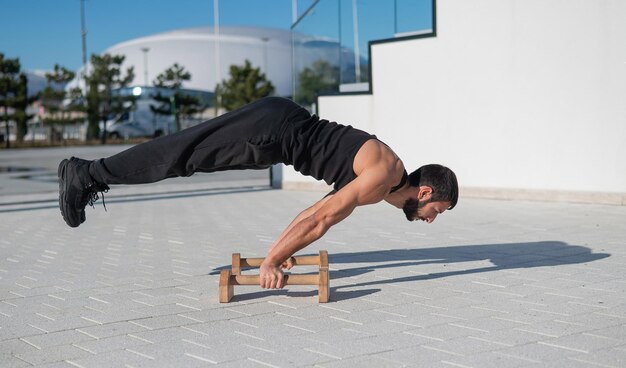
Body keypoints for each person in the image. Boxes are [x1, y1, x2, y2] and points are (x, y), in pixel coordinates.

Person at [58, 97, 458, 289]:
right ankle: (86, 175)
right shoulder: (382, 176)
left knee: (184, 155)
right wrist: (271, 261)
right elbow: (321, 219)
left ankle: (89, 175)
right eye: (436, 210)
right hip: (274, 132)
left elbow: (312, 212)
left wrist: (278, 253)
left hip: (279, 124)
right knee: (180, 155)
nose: (432, 219)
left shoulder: (385, 176)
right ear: (424, 192)